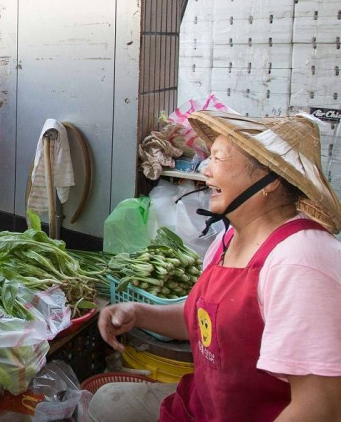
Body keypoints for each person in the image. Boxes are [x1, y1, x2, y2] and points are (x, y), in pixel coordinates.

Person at [92, 112, 341, 421]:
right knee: (104, 403)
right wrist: (139, 313)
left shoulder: (300, 261)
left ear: (269, 181)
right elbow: (206, 321)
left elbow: (320, 407)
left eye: (218, 159)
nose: (205, 171)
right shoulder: (230, 238)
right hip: (202, 406)